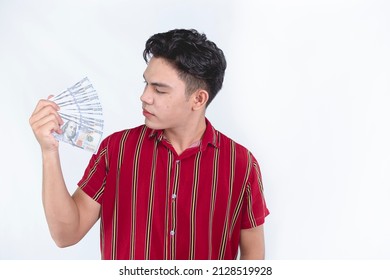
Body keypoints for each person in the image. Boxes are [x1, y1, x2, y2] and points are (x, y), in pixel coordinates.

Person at [29, 28, 269, 260]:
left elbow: (253, 254)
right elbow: (65, 235)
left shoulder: (241, 164)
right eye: (146, 83)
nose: (145, 96)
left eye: (160, 90)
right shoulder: (116, 149)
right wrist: (49, 151)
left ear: (198, 99)